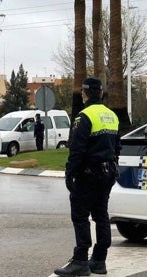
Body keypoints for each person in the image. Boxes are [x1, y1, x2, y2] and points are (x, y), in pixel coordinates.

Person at [54, 77, 121, 277]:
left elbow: (77, 150)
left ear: (84, 93)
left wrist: (70, 173)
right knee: (101, 216)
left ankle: (81, 260)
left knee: (81, 217)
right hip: (108, 173)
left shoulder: (83, 117)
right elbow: (117, 148)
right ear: (100, 93)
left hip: (88, 175)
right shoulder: (112, 116)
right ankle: (99, 260)